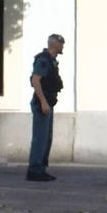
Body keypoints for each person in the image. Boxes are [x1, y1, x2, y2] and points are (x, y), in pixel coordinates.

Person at [28, 33, 65, 182]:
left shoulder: (52, 60)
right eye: (61, 44)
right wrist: (43, 102)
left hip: (49, 102)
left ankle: (41, 169)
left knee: (47, 138)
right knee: (40, 138)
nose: (63, 47)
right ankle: (34, 170)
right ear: (56, 45)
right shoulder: (43, 60)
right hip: (42, 104)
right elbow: (36, 80)